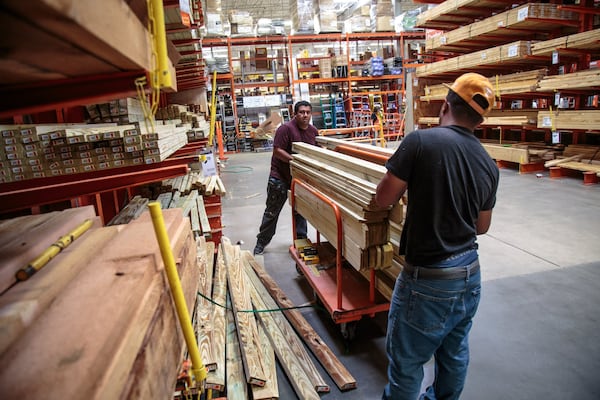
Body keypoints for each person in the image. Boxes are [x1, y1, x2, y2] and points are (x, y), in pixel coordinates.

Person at [375, 73, 500, 400]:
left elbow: (383, 198)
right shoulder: (489, 163)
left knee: (406, 361)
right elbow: (482, 226)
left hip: (429, 278)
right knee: (454, 352)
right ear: (479, 119)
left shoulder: (420, 142)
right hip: (469, 274)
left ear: (445, 104)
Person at [253, 100, 318, 255]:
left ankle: (301, 241)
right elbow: (277, 151)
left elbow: (317, 150)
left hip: (299, 179)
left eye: (308, 112)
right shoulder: (285, 129)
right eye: (301, 112)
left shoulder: (313, 131)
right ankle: (261, 242)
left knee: (300, 212)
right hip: (280, 178)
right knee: (272, 212)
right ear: (295, 114)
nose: (305, 115)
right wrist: (295, 161)